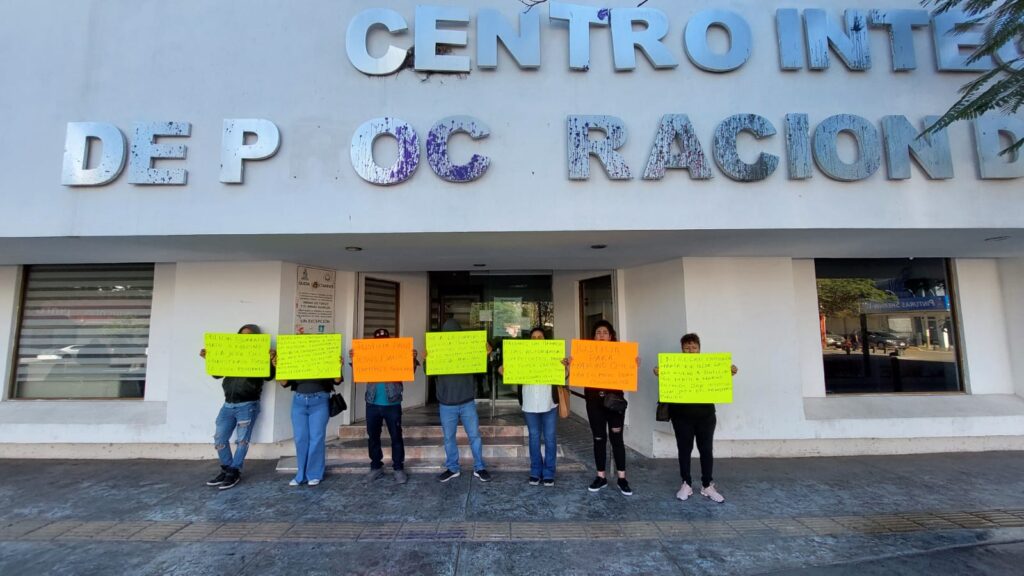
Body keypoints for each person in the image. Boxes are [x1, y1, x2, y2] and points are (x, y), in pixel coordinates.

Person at [654, 332, 738, 504]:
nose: (691, 351)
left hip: (706, 416)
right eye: (687, 348)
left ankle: (707, 485)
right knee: (684, 450)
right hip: (681, 416)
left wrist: (728, 372)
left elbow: (718, 381)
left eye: (694, 347)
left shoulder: (708, 366)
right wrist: (659, 372)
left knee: (706, 450)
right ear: (682, 350)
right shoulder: (675, 367)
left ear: (699, 349)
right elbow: (666, 378)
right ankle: (686, 483)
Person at [565, 320, 639, 496]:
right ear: (594, 336)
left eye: (605, 332)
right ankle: (601, 477)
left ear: (611, 336)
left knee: (617, 439)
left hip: (615, 404)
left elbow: (627, 374)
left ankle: (622, 478)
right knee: (598, 439)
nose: (601, 335)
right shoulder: (585, 354)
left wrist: (633, 364)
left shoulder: (621, 354)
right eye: (598, 332)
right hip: (594, 403)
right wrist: (571, 364)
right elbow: (575, 372)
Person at [198, 324, 275, 490]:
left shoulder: (261, 355)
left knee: (242, 440)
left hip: (248, 404)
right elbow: (217, 374)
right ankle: (226, 468)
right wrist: (210, 358)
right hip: (228, 404)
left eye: (249, 336)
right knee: (219, 438)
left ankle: (235, 471)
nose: (245, 339)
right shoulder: (231, 353)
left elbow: (269, 377)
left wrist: (270, 361)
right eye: (242, 335)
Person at [423, 318, 492, 483]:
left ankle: (479, 467)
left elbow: (483, 369)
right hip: (447, 404)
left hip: (466, 401)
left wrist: (487, 354)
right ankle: (453, 468)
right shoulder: (437, 351)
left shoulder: (468, 350)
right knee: (450, 437)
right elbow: (428, 372)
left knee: (474, 436)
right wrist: (427, 359)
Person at [351, 328, 419, 485]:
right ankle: (376, 467)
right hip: (372, 403)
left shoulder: (397, 354)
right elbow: (358, 371)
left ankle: (398, 468)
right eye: (378, 340)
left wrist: (411, 359)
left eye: (384, 340)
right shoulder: (368, 354)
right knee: (373, 437)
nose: (381, 343)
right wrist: (355, 358)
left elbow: (409, 372)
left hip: (392, 403)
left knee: (396, 436)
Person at [274, 341, 344, 487]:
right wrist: (278, 367)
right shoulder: (295, 359)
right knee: (300, 439)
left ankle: (314, 474)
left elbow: (337, 381)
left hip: (319, 401)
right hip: (299, 402)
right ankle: (301, 475)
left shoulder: (325, 359)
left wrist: (338, 366)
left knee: (317, 438)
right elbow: (284, 383)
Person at [498, 327, 561, 487]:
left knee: (550, 438)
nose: (537, 339)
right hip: (530, 403)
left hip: (549, 403)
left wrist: (566, 366)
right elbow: (508, 371)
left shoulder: (554, 355)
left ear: (545, 340)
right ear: (529, 340)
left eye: (540, 337)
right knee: (534, 438)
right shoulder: (521, 356)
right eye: (534, 337)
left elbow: (564, 376)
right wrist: (502, 370)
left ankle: (549, 472)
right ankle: (535, 471)